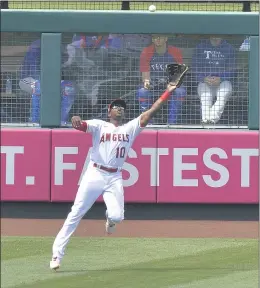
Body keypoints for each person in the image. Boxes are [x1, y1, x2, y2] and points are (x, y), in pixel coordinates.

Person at [50, 80, 181, 271]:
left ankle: (110, 220)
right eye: (116, 107)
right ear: (109, 111)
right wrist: (76, 120)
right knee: (76, 213)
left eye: (122, 107)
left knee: (118, 216)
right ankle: (56, 255)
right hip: (95, 173)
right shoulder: (99, 125)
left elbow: (150, 112)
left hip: (114, 177)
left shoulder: (130, 128)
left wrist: (167, 92)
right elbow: (81, 125)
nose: (119, 109)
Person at [19, 39, 76, 124]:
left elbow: (66, 67)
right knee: (38, 86)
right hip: (29, 79)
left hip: (54, 81)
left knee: (68, 88)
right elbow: (31, 71)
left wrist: (69, 58)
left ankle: (62, 121)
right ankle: (35, 122)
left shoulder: (62, 46)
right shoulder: (36, 46)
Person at [136, 35, 186, 124]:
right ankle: (148, 122)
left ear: (166, 38)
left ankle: (172, 123)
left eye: (160, 37)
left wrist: (172, 83)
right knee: (142, 91)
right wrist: (146, 82)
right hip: (153, 83)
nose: (157, 40)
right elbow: (145, 75)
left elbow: (179, 74)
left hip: (170, 83)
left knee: (180, 92)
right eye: (155, 38)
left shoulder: (175, 51)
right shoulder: (146, 51)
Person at [192, 36, 237, 124]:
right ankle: (206, 121)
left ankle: (211, 120)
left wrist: (221, 78)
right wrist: (203, 78)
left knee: (223, 94)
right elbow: (195, 68)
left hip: (223, 81)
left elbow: (232, 70)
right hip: (205, 81)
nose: (216, 36)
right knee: (206, 97)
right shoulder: (201, 47)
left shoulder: (229, 48)